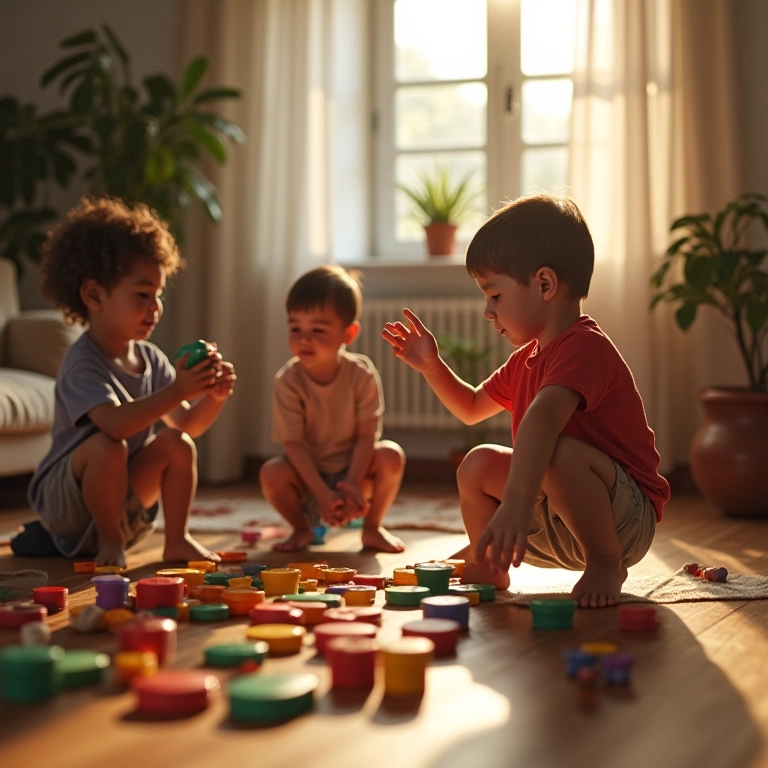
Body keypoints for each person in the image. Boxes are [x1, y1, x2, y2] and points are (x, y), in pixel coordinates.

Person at [383, 193, 670, 608]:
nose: (487, 311)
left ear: (545, 284)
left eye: (495, 295)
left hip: (622, 523)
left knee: (559, 452)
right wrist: (432, 367)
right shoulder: (526, 360)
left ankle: (606, 563)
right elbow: (471, 407)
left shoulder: (585, 347)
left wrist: (517, 502)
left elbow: (542, 420)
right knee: (477, 461)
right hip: (554, 522)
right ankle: (490, 558)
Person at [16, 197, 236, 568]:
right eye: (142, 294)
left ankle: (178, 539)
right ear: (94, 295)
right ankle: (109, 541)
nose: (155, 306)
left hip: (123, 502)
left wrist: (213, 397)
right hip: (67, 506)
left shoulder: (150, 358)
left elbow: (187, 425)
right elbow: (114, 424)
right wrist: (179, 389)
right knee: (107, 445)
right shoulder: (81, 362)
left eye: (158, 295)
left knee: (176, 443)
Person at [260, 265, 406, 554]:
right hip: (308, 478)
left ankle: (372, 528)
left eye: (317, 329)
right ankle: (303, 528)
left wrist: (351, 483)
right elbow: (294, 445)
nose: (304, 338)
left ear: (348, 333)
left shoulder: (361, 375)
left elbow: (368, 437)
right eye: (295, 328)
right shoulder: (288, 381)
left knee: (391, 455)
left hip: (355, 472)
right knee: (271, 473)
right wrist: (321, 493)